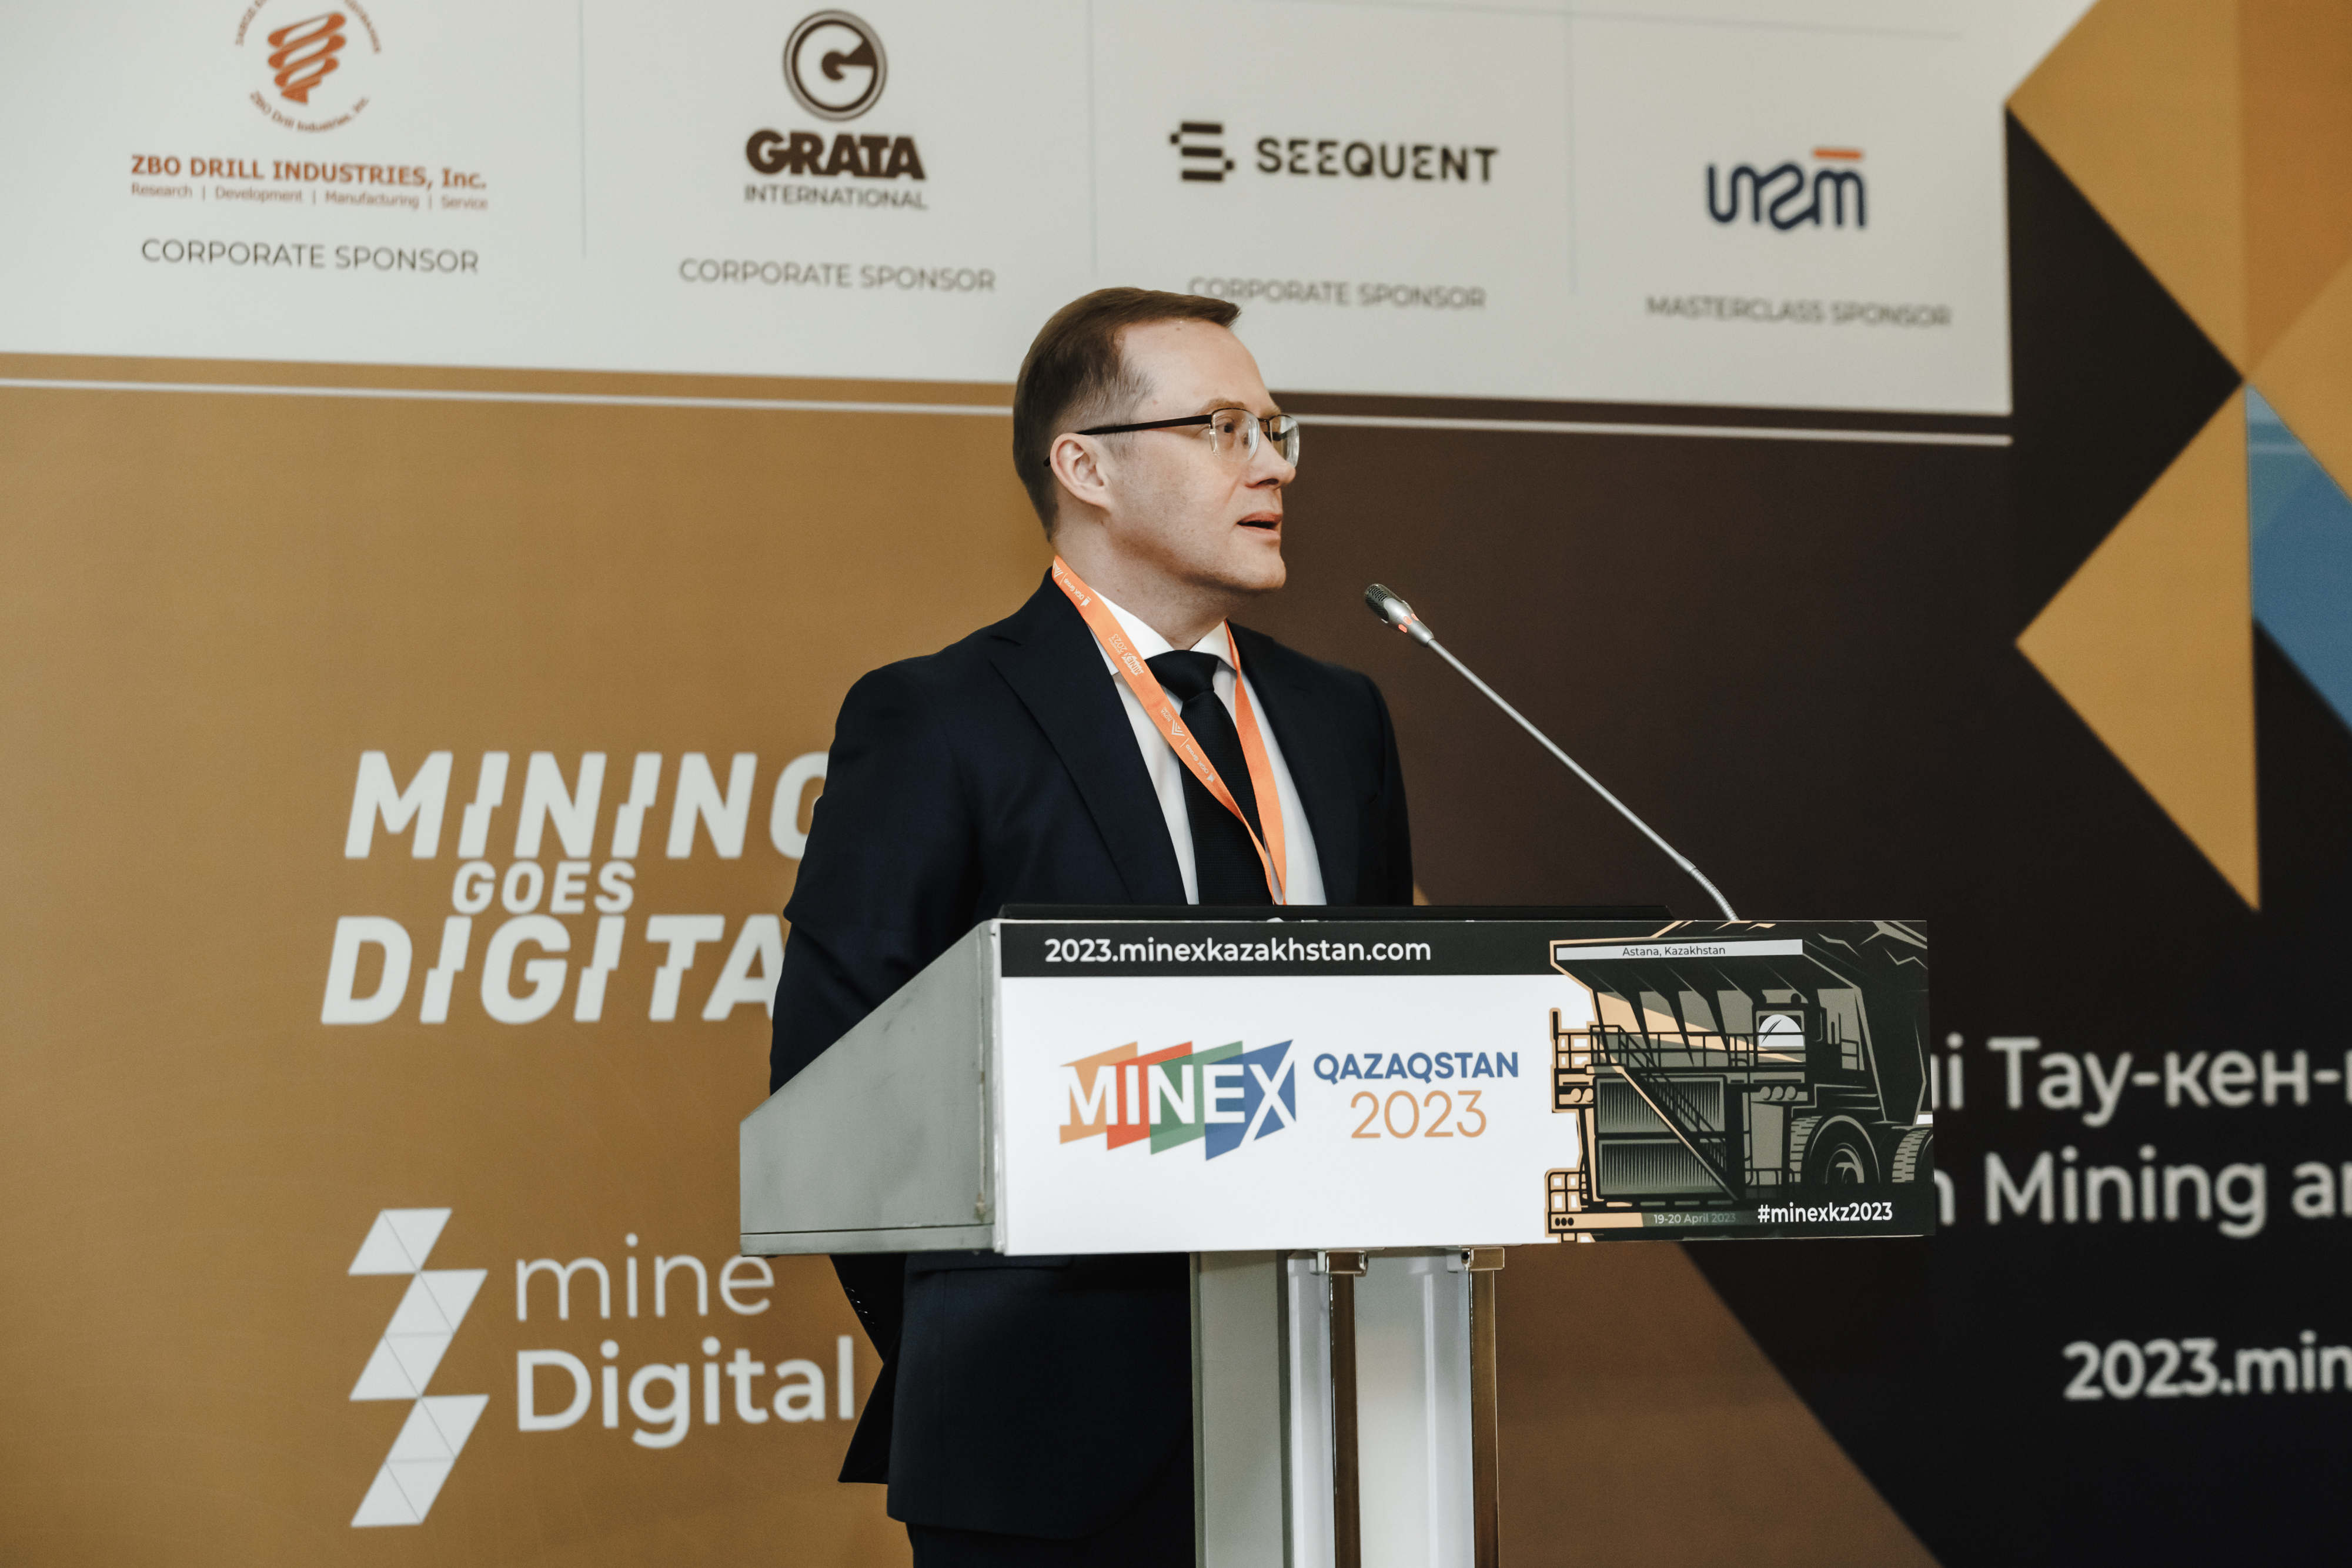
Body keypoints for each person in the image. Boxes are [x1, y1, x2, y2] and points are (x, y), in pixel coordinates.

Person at [769, 287, 1414, 1566]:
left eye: (1277, 429)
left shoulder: (1338, 718)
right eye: (1222, 428)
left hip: (1339, 1417)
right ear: (1086, 469)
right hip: (1043, 1445)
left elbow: (1398, 1017)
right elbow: (840, 1085)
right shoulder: (939, 718)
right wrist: (975, 1333)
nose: (1273, 464)